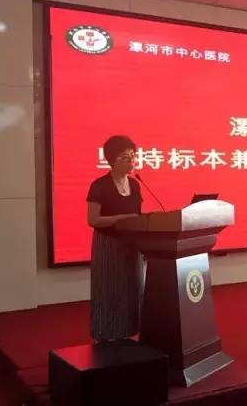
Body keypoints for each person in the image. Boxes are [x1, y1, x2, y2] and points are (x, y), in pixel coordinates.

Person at [86, 135, 144, 342]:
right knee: (109, 289)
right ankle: (105, 334)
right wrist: (120, 219)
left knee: (132, 288)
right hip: (108, 244)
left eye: (133, 156)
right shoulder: (99, 185)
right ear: (111, 159)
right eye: (125, 157)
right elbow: (93, 220)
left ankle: (129, 331)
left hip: (132, 244)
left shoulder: (135, 185)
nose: (131, 161)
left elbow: (138, 216)